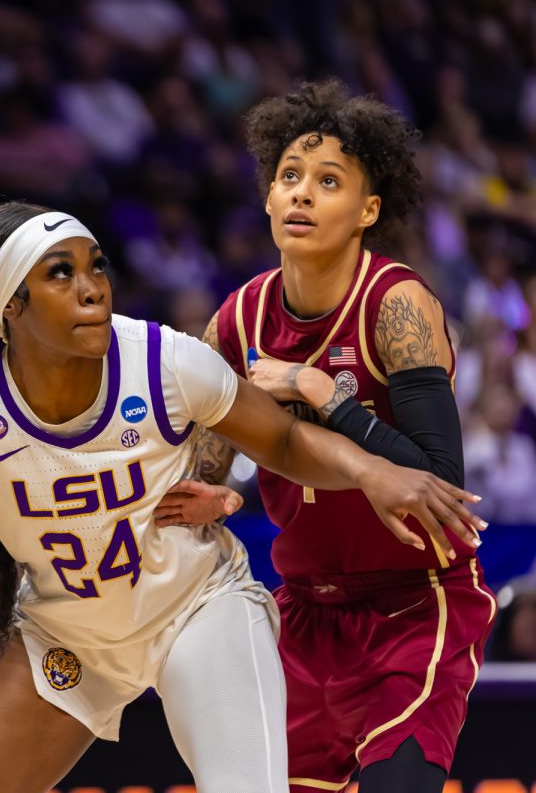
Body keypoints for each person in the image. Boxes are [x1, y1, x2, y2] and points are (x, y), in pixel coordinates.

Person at [0, 201, 480, 792]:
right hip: (67, 634)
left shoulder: (164, 358)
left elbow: (278, 441)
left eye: (96, 265)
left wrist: (368, 469)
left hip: (195, 614)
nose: (91, 288)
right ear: (8, 307)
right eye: (60, 273)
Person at [184, 80, 496, 793]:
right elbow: (203, 476)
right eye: (288, 177)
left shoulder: (398, 305)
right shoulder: (235, 322)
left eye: (329, 182)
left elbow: (438, 478)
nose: (301, 195)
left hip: (417, 601)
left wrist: (322, 392)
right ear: (266, 198)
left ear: (368, 210)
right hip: (303, 610)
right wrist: (217, 501)